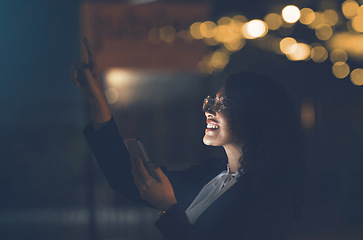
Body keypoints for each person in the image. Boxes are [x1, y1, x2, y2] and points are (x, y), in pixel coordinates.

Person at [72, 37, 305, 240]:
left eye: (223, 104)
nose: (209, 110)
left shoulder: (271, 198)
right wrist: (96, 98)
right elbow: (124, 178)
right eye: (211, 101)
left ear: (254, 117)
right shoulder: (212, 175)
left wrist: (169, 209)